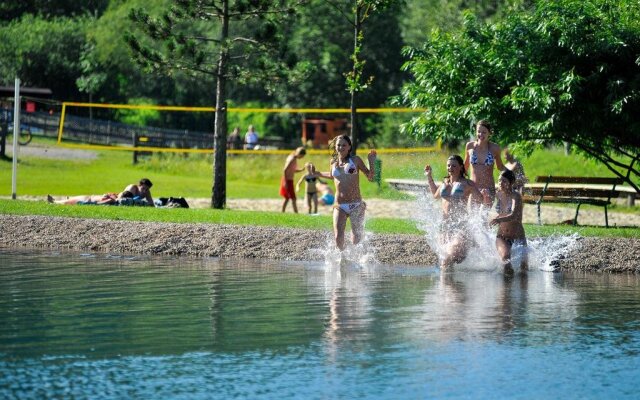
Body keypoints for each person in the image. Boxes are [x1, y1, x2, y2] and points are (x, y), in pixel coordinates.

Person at [316, 135, 376, 251]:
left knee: (356, 238)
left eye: (344, 145)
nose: (341, 147)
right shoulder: (333, 162)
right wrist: (317, 173)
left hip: (356, 204)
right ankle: (341, 261)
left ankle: (357, 263)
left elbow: (370, 177)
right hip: (339, 205)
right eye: (338, 145)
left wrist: (371, 162)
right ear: (335, 146)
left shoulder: (355, 160)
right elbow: (331, 175)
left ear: (349, 147)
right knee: (338, 236)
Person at [425, 155, 485, 270]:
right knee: (446, 262)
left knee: (447, 259)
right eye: (448, 165)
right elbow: (435, 195)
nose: (450, 168)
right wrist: (429, 177)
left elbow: (481, 199)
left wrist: (484, 196)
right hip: (444, 228)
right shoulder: (445, 183)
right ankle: (448, 286)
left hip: (460, 227)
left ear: (461, 167)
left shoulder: (468, 184)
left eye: (453, 165)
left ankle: (447, 285)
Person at [489, 169, 528, 275]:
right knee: (506, 260)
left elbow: (514, 215)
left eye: (504, 181)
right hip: (502, 236)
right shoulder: (498, 195)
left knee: (524, 271)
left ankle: (522, 292)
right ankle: (506, 291)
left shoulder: (516, 196)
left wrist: (498, 219)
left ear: (511, 183)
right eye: (499, 181)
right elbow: (486, 203)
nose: (501, 183)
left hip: (518, 237)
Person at [464, 120, 505, 206]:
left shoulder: (495, 148)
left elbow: (500, 167)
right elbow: (465, 167)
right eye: (478, 131)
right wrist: (452, 179)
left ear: (489, 133)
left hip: (488, 189)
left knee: (483, 217)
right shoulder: (470, 146)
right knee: (472, 217)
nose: (481, 135)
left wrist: (513, 175)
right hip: (473, 188)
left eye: (484, 132)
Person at [280, 147, 307, 213]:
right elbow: (285, 169)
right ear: (299, 154)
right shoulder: (291, 158)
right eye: (302, 156)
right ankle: (296, 213)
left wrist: (301, 170)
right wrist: (285, 182)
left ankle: (282, 212)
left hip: (289, 180)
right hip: (287, 180)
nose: (302, 158)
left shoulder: (294, 158)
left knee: (287, 198)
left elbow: (292, 170)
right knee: (293, 198)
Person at [47, 191, 133, 205]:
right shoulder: (114, 197)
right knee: (69, 201)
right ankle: (66, 200)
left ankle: (54, 202)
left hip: (88, 199)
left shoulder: (112, 200)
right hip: (89, 197)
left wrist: (93, 204)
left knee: (67, 203)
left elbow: (99, 203)